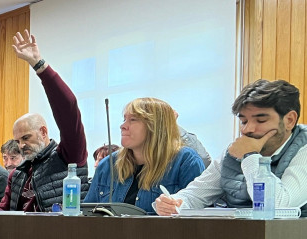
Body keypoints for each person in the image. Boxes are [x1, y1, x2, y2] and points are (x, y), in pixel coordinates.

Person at [0, 30, 89, 212]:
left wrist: (39, 66)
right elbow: (5, 213)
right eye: (18, 141)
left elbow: (69, 109)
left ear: (43, 132)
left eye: (26, 138)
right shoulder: (17, 174)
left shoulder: (68, 157)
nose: (21, 145)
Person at [155, 79, 307, 215]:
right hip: (239, 237)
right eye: (244, 121)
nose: (248, 130)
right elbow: (195, 194)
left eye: (260, 121)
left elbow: (277, 206)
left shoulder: (303, 149)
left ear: (289, 120)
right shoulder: (234, 150)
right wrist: (173, 203)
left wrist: (250, 156)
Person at [86, 98, 205, 213]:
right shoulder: (108, 164)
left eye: (132, 119)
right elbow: (87, 215)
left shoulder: (185, 161)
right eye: (124, 119)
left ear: (155, 126)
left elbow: (196, 220)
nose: (123, 126)